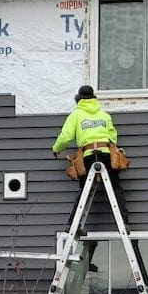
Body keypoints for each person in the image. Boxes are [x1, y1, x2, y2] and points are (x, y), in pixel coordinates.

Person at [51, 85, 129, 230]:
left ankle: (73, 225)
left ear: (78, 99)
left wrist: (56, 149)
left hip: (88, 155)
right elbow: (113, 138)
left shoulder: (76, 114)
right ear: (93, 97)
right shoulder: (104, 115)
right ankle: (124, 222)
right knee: (115, 187)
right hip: (106, 154)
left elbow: (66, 137)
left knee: (84, 190)